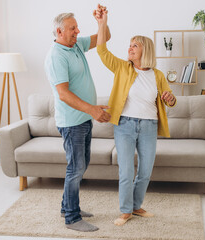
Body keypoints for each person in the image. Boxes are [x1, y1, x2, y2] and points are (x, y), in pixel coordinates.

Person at [94, 8, 176, 226]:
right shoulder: (122, 68)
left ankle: (136, 207)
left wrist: (169, 97)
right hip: (125, 126)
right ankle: (125, 211)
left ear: (145, 49)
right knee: (127, 171)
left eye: (134, 45)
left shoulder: (157, 75)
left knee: (146, 171)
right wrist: (102, 23)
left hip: (149, 126)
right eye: (129, 45)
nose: (129, 48)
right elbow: (102, 51)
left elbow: (170, 99)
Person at [44, 7, 111, 232]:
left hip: (83, 119)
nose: (77, 31)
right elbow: (63, 94)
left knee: (81, 165)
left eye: (76, 27)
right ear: (59, 31)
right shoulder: (56, 56)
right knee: (76, 167)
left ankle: (67, 206)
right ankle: (72, 218)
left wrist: (102, 22)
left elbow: (105, 38)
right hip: (72, 122)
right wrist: (92, 110)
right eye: (72, 29)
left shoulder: (76, 45)